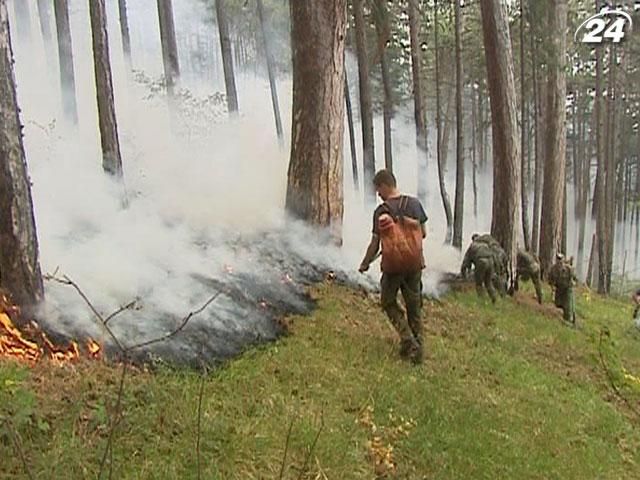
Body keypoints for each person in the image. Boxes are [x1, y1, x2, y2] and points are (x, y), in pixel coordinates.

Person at [359, 170, 428, 364]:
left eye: (378, 189)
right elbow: (423, 233)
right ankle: (418, 348)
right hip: (415, 264)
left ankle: (408, 340)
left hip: (393, 266)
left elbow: (375, 243)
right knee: (414, 305)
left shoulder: (381, 211)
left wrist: (365, 262)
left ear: (385, 185)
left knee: (388, 302)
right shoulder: (414, 204)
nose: (378, 194)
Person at [461, 235, 499, 303]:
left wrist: (463, 273)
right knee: (488, 282)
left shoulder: (472, 245)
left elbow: (466, 261)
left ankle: (482, 300)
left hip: (481, 262)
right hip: (490, 261)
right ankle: (494, 298)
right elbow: (494, 257)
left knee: (479, 283)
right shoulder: (486, 245)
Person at [547, 253, 577, 324]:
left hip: (568, 288)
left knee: (568, 305)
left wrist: (573, 282)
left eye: (561, 260)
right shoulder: (553, 269)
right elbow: (550, 280)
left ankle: (569, 319)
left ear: (563, 260)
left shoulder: (568, 269)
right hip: (559, 289)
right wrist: (553, 288)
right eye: (558, 260)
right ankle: (566, 316)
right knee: (559, 304)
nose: (559, 262)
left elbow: (575, 278)